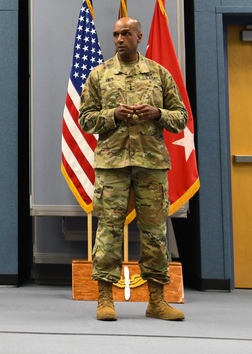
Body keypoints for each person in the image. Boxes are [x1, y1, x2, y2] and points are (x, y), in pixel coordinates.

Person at [79, 16, 188, 322]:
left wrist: (158, 113)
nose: (119, 38)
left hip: (150, 163)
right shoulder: (99, 75)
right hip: (112, 164)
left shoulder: (158, 74)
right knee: (108, 232)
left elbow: (181, 118)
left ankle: (156, 301)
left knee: (154, 234)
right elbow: (85, 119)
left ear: (139, 36)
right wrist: (112, 115)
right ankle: (104, 299)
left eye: (126, 33)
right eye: (115, 34)